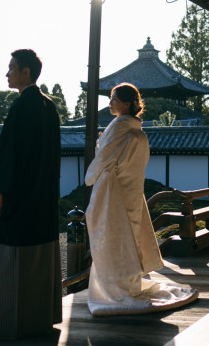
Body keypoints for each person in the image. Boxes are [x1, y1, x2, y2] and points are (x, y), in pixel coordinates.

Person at [84, 82, 198, 316]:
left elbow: (104, 158)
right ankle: (131, 283)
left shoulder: (118, 127)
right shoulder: (138, 131)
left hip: (114, 191)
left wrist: (91, 175)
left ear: (127, 103)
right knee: (131, 236)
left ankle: (117, 288)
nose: (110, 103)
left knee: (113, 236)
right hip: (132, 190)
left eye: (114, 99)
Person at [0, 48, 62, 339]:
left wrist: (0, 197)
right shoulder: (48, 106)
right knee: (40, 260)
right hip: (41, 200)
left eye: (11, 67)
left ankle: (9, 325)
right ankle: (40, 318)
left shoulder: (21, 107)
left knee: (11, 262)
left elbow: (10, 158)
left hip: (17, 200)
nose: (7, 73)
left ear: (25, 72)